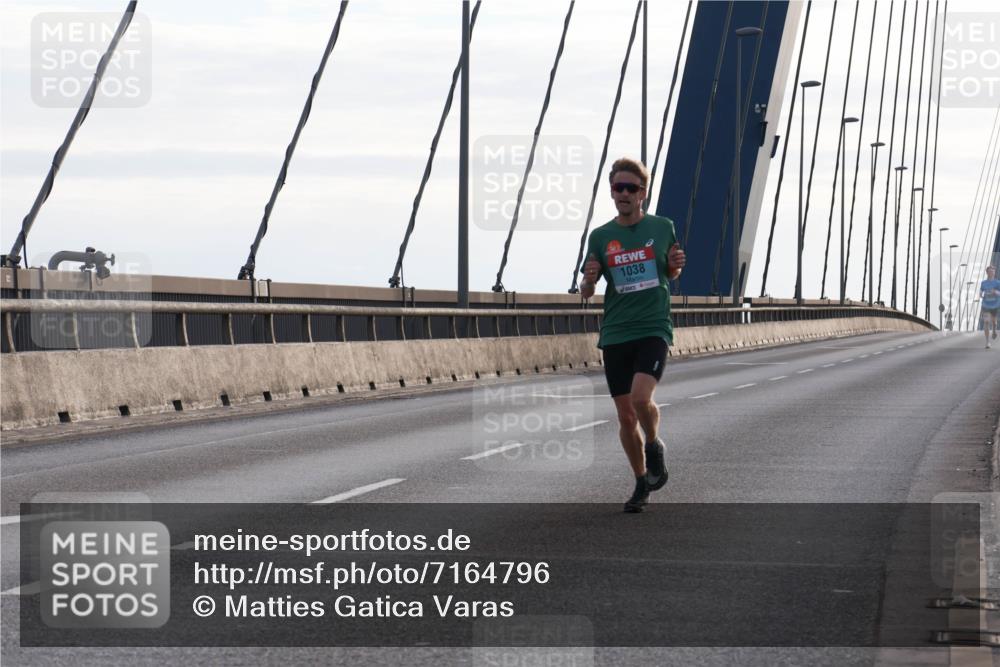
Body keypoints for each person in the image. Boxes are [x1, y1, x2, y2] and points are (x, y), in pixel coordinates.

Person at [579, 157, 685, 513]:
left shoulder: (662, 226)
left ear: (643, 193)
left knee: (641, 398)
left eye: (630, 188)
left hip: (653, 326)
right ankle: (641, 481)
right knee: (625, 417)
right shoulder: (601, 236)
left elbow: (671, 272)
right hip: (616, 332)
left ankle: (654, 444)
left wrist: (675, 263)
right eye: (617, 187)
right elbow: (586, 291)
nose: (623, 193)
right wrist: (590, 279)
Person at [980, 265, 1000, 349]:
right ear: (987, 272)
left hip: (995, 305)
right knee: (986, 322)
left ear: (994, 273)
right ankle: (987, 342)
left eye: (993, 271)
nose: (991, 273)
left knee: (994, 322)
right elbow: (981, 291)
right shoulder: (983, 283)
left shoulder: (998, 282)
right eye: (990, 271)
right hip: (986, 305)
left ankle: (994, 330)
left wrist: (996, 292)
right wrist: (981, 294)